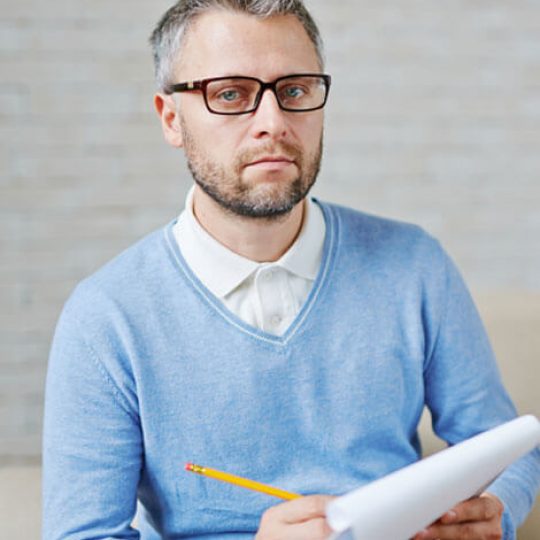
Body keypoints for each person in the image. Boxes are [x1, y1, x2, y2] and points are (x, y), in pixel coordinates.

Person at [42, 1, 539, 539]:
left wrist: (494, 509)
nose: (273, 124)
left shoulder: (415, 266)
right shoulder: (106, 317)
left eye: (295, 90)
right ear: (171, 119)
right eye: (230, 94)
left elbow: (507, 447)